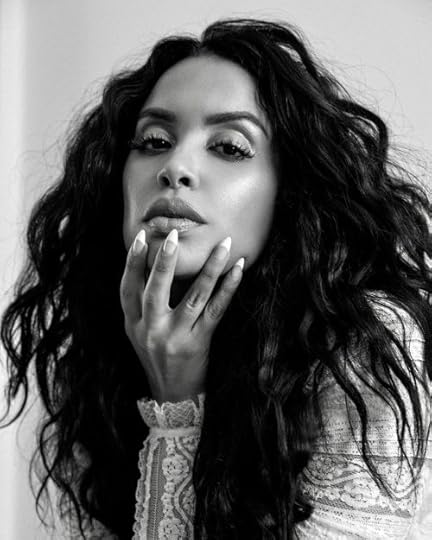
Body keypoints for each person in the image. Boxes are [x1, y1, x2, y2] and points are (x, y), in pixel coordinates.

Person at [1, 17, 431, 540]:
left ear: (289, 189)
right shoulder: (104, 355)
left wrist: (177, 409)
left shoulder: (366, 339)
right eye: (153, 140)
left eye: (228, 147)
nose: (175, 166)